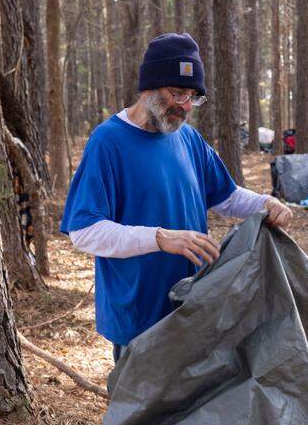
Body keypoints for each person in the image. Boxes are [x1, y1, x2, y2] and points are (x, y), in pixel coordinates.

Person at [61, 33, 292, 359]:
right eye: (177, 93)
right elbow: (83, 231)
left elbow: (226, 196)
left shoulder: (188, 140)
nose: (185, 106)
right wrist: (159, 238)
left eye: (193, 97)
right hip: (138, 320)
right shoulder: (108, 142)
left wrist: (266, 204)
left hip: (190, 308)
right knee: (144, 411)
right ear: (149, 88)